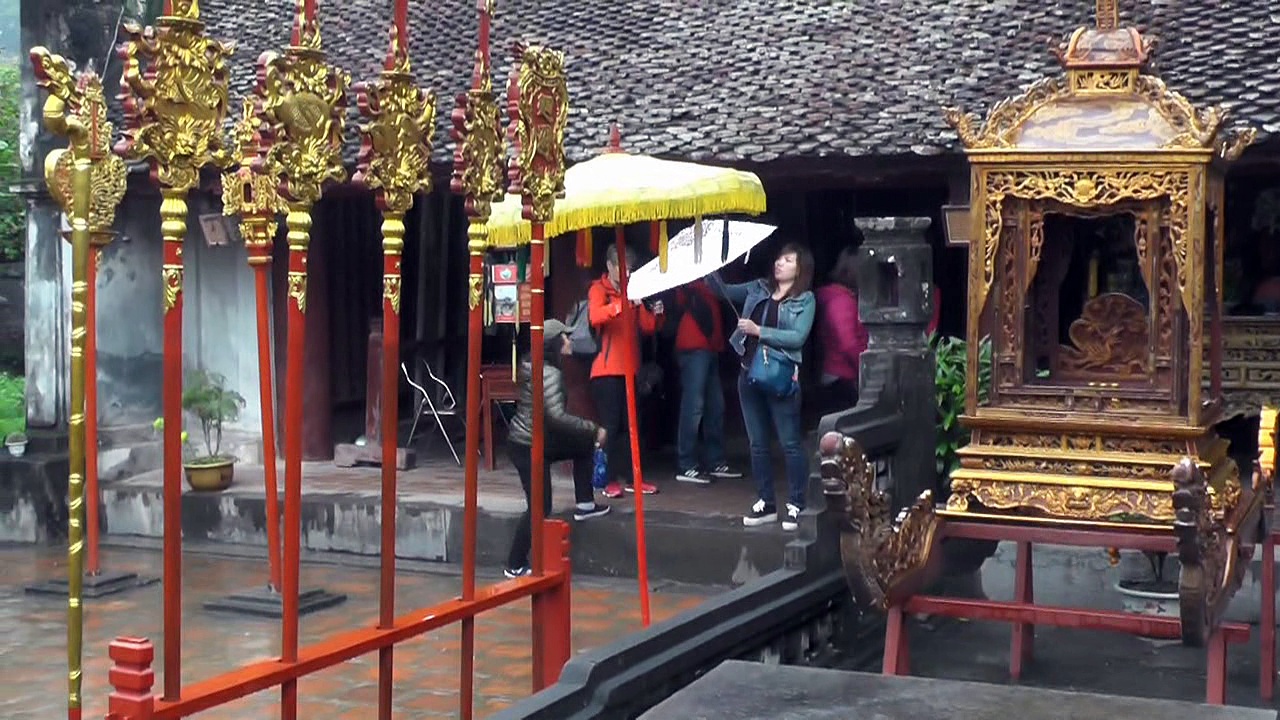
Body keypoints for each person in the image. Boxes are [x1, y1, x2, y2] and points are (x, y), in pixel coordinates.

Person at [710, 242, 816, 531]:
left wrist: (759, 331)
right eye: (780, 259)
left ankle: (797, 503)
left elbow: (797, 337)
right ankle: (766, 502)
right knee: (757, 444)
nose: (780, 263)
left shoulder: (805, 300)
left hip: (781, 375)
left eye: (788, 260)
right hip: (749, 373)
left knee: (789, 442)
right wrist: (711, 265)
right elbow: (722, 291)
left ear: (801, 268)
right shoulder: (759, 288)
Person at [503, 319, 610, 578]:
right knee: (540, 506)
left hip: (538, 439)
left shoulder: (534, 365)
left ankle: (585, 503)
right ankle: (514, 563)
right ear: (554, 343)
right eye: (565, 337)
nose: (569, 340)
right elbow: (556, 417)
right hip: (527, 445)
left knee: (582, 444)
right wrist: (593, 428)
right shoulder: (549, 373)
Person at [588, 243, 663, 497]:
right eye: (622, 268)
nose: (627, 273)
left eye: (630, 268)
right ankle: (608, 479)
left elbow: (647, 327)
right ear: (609, 266)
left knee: (633, 426)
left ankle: (634, 478)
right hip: (606, 369)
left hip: (631, 369)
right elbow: (595, 316)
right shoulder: (599, 289)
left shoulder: (633, 290)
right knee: (611, 425)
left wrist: (655, 313)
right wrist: (622, 304)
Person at [670, 279, 742, 484]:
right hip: (693, 345)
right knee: (694, 406)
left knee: (715, 406)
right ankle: (686, 464)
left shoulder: (710, 277)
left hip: (710, 345)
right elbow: (679, 298)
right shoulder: (687, 277)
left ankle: (715, 461)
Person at [814, 247, 868, 418]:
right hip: (842, 376)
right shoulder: (842, 301)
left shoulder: (833, 297)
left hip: (835, 374)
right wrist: (865, 371)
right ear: (850, 273)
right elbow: (848, 343)